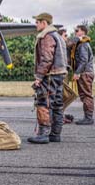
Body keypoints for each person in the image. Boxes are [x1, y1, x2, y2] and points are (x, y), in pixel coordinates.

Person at [28, 13, 67, 144]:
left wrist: (39, 77)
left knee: (43, 102)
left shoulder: (47, 36)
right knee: (57, 104)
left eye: (37, 22)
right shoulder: (58, 36)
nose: (36, 24)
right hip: (60, 74)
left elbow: (46, 58)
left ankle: (43, 134)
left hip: (50, 75)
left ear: (44, 23)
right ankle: (55, 134)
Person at [71, 25, 94, 125]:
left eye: (77, 30)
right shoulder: (83, 43)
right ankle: (88, 117)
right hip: (86, 72)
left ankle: (88, 118)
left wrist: (77, 72)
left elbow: (83, 60)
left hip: (85, 72)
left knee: (86, 95)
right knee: (85, 95)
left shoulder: (83, 44)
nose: (75, 32)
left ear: (83, 32)